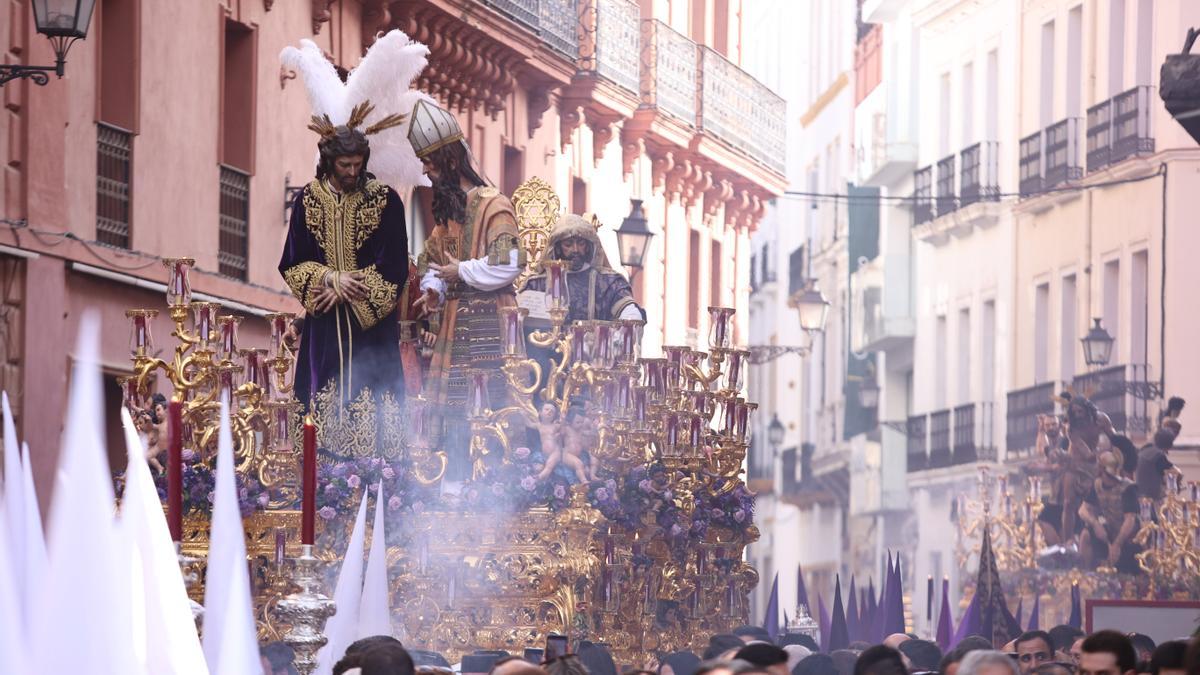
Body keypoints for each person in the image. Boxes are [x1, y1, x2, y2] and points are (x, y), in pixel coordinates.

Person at [409, 98, 522, 481]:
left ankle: (496, 488)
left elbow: (507, 264)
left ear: (450, 160)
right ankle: (454, 488)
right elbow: (431, 261)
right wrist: (434, 288)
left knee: (494, 410)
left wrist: (462, 270)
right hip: (454, 327)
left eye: (430, 161)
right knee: (454, 417)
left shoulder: (496, 205)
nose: (425, 169)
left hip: (491, 325)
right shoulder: (448, 216)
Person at [279, 102, 411, 411]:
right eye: (344, 165)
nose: (353, 171)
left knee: (373, 406)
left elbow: (394, 267)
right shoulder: (307, 200)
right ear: (329, 163)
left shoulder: (385, 201)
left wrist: (345, 292)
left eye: (357, 163)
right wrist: (331, 279)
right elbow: (292, 261)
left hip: (370, 331)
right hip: (324, 328)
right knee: (322, 405)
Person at [519, 213, 643, 324]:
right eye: (568, 244)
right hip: (545, 349)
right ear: (557, 248)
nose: (575, 250)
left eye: (581, 243)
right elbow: (519, 320)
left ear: (588, 247)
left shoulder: (609, 283)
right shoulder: (537, 284)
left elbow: (630, 313)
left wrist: (627, 323)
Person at [1078, 450, 1142, 572]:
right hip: (1110, 533)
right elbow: (1082, 510)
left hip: (1129, 537)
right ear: (1101, 471)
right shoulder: (1097, 485)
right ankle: (1085, 575)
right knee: (1086, 535)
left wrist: (1117, 544)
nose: (1113, 480)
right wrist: (1095, 524)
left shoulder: (1128, 489)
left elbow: (1130, 520)